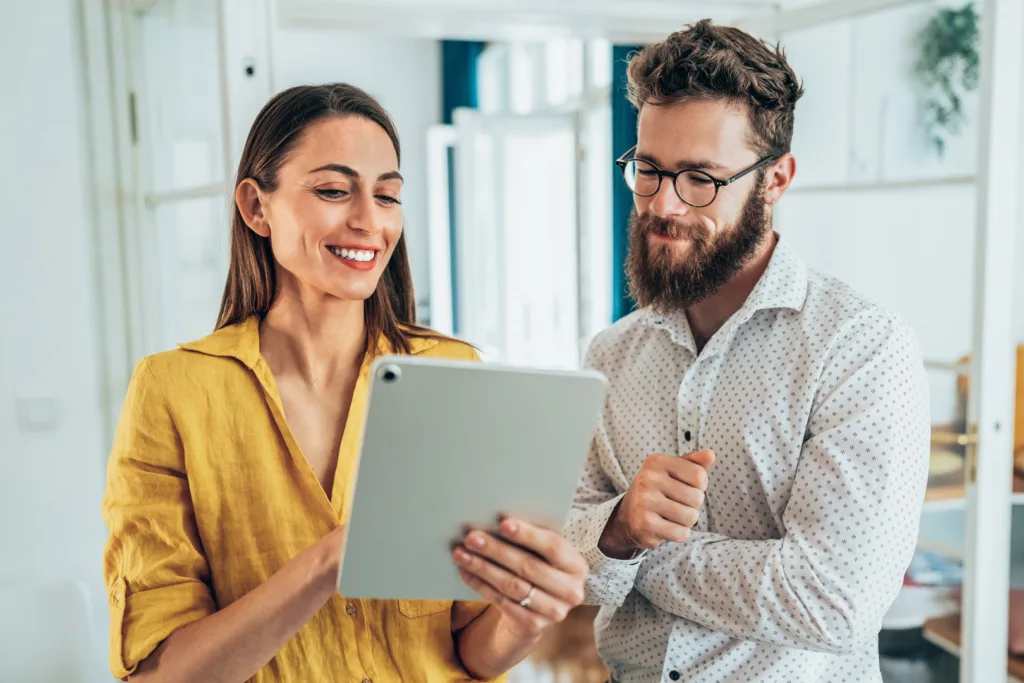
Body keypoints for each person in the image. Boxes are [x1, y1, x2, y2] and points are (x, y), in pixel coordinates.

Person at [100, 83, 610, 683]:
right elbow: (161, 675)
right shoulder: (174, 390)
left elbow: (468, 648)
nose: (369, 221)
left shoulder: (454, 374)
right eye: (334, 191)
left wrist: (526, 617)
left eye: (388, 195)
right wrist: (328, 562)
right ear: (256, 207)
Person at [564, 20, 930, 683]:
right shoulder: (610, 356)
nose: (663, 205)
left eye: (700, 178)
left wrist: (633, 550)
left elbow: (831, 602)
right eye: (647, 170)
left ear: (776, 179)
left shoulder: (859, 348)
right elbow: (565, 560)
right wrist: (614, 528)